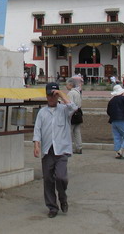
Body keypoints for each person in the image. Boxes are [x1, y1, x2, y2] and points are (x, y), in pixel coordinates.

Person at [33, 82, 77, 218]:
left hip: (61, 149)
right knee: (48, 180)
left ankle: (63, 197)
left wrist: (61, 94)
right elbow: (37, 129)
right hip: (47, 150)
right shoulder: (42, 112)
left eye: (53, 95)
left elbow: (73, 107)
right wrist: (36, 145)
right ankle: (52, 207)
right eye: (49, 95)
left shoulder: (64, 110)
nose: (51, 98)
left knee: (61, 177)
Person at [66, 77, 83, 154]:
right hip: (79, 112)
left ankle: (68, 148)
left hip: (73, 114)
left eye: (67, 84)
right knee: (77, 131)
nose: (66, 86)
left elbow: (70, 105)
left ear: (70, 84)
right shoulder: (78, 92)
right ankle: (79, 147)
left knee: (69, 131)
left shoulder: (71, 93)